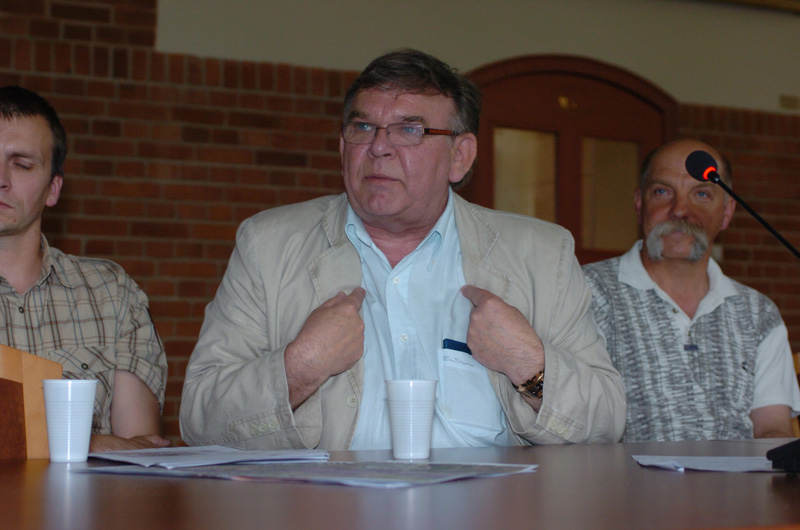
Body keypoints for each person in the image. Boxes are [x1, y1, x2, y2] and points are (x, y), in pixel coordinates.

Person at [180, 49, 625, 450]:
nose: (378, 147)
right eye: (362, 127)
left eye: (409, 129)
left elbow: (607, 421)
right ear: (342, 146)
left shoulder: (541, 254)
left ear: (460, 156)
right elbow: (200, 420)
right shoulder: (268, 246)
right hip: (327, 503)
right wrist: (300, 368)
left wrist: (530, 366)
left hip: (490, 503)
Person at [583, 138, 800, 442]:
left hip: (740, 475)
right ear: (639, 203)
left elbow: (772, 429)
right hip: (622, 474)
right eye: (662, 191)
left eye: (701, 194)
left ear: (727, 212)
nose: (680, 210)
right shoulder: (585, 292)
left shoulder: (759, 313)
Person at [0, 86, 169, 452]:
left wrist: (32, 444)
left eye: (22, 164)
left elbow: (140, 450)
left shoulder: (112, 293)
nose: (1, 178)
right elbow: (118, 448)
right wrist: (87, 445)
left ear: (53, 189)